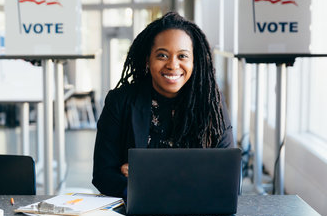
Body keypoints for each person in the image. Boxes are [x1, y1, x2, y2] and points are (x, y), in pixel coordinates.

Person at [92, 11, 234, 198]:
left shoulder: (211, 103)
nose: (173, 65)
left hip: (196, 211)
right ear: (148, 60)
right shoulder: (120, 101)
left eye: (182, 56)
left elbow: (228, 174)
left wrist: (145, 175)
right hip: (135, 211)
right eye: (162, 55)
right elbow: (103, 174)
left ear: (194, 62)